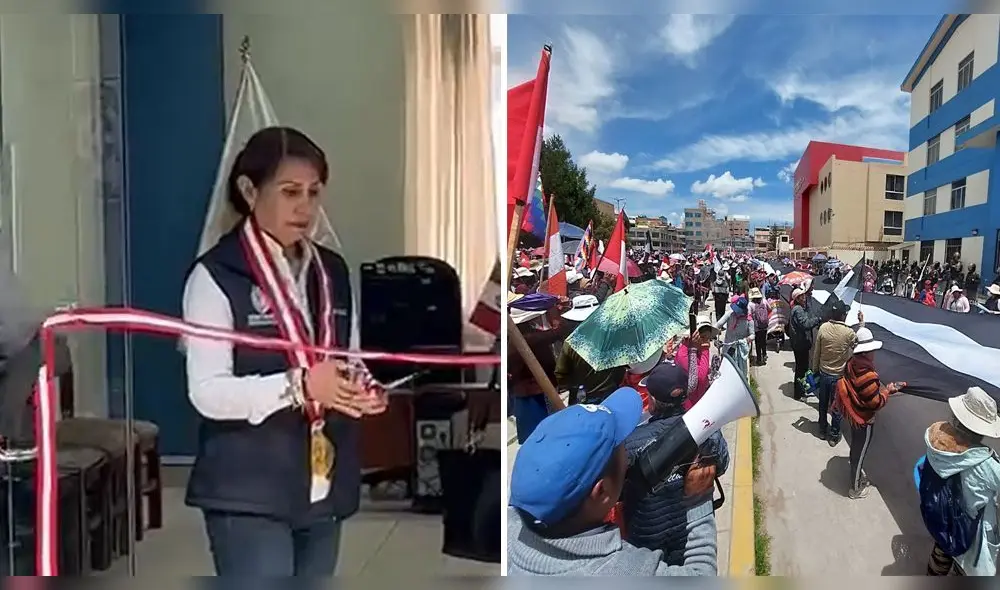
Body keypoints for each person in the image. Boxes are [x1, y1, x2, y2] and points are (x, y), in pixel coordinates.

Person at [181, 127, 387, 576]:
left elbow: (346, 358)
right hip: (249, 489)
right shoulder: (217, 277)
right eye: (290, 192)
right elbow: (207, 392)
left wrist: (361, 388)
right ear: (249, 190)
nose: (306, 207)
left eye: (314, 193)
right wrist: (298, 386)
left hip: (321, 484)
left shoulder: (330, 269)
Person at [507, 387, 717, 576]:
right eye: (621, 444)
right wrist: (699, 502)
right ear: (602, 491)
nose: (627, 456)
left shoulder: (508, 528)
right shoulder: (627, 571)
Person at [621, 364, 728, 570]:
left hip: (647, 538)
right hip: (692, 528)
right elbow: (722, 464)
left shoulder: (632, 440)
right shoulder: (706, 430)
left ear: (651, 401)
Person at [923, 387, 1000, 576]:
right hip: (970, 530)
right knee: (964, 567)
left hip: (943, 515)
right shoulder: (989, 465)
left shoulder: (936, 439)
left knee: (941, 552)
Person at [833, 328, 904, 499]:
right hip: (863, 419)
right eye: (872, 350)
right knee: (860, 451)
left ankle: (854, 473)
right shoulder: (868, 375)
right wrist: (887, 391)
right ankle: (855, 488)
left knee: (856, 448)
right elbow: (875, 402)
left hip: (854, 415)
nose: (874, 353)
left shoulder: (851, 363)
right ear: (867, 352)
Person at [811, 301, 861, 445]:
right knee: (837, 408)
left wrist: (815, 370)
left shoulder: (823, 328)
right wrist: (861, 324)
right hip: (839, 377)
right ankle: (833, 435)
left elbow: (817, 353)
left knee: (823, 404)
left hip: (823, 373)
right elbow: (860, 346)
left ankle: (822, 429)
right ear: (843, 316)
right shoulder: (848, 333)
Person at [677, 314, 719, 411]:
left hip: (700, 400)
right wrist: (705, 350)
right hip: (689, 407)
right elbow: (700, 376)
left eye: (708, 338)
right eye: (703, 337)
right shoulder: (683, 354)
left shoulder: (696, 349)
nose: (706, 341)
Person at [788, 288, 822, 401]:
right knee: (801, 369)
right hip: (800, 344)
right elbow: (806, 324)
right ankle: (799, 393)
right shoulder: (798, 309)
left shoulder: (800, 308)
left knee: (802, 368)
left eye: (804, 296)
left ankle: (801, 390)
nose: (804, 298)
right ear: (797, 298)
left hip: (800, 343)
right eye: (801, 296)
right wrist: (818, 320)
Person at [748, 288, 769, 366]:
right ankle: (764, 354)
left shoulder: (750, 304)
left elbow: (749, 315)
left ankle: (759, 359)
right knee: (763, 341)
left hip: (756, 327)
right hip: (764, 325)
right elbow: (770, 308)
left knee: (758, 343)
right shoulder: (764, 301)